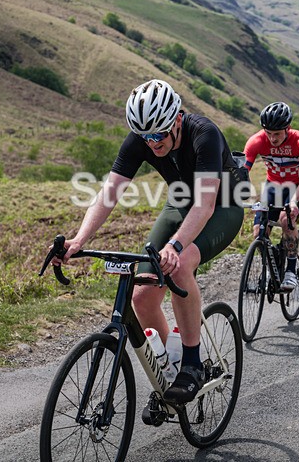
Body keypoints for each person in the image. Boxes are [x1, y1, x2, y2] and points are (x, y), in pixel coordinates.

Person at [52, 79, 244, 404]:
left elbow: (205, 205)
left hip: (223, 203)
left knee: (180, 265)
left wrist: (176, 246)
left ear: (177, 121)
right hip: (182, 199)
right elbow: (109, 192)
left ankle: (193, 364)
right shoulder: (142, 137)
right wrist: (78, 240)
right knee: (142, 295)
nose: (152, 143)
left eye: (158, 135)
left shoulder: (204, 134)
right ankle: (171, 369)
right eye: (145, 137)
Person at [244, 101, 299, 292]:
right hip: (272, 187)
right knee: (259, 231)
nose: (272, 138)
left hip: (296, 187)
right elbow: (242, 172)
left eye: (277, 134)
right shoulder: (256, 141)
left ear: (288, 128)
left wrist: (294, 203)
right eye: (269, 133)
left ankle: (291, 271)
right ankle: (271, 264)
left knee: (286, 219)